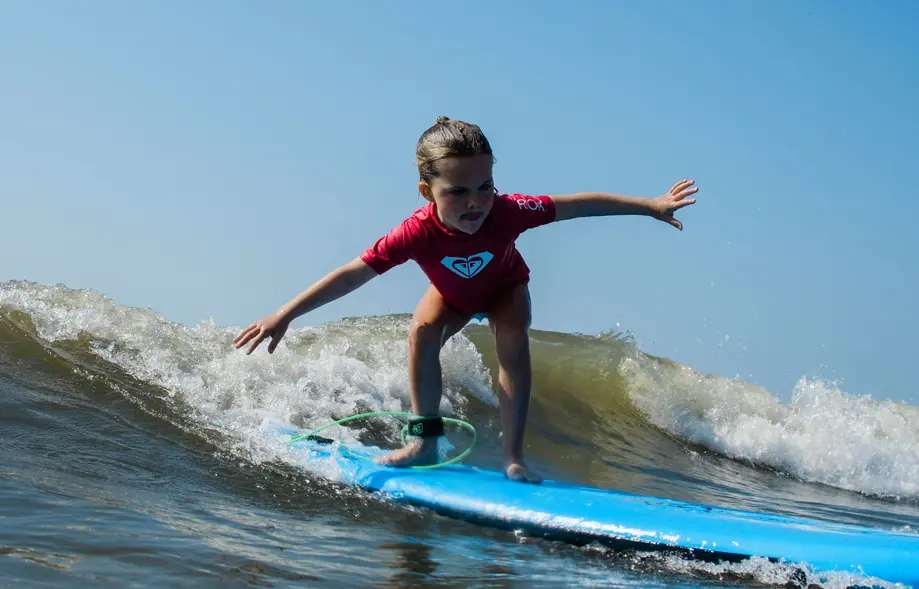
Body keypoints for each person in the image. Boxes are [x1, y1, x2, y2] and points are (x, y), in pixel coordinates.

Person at [233, 116, 698, 484]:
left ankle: (514, 458)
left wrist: (650, 206)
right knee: (421, 333)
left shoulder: (510, 211)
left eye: (484, 186)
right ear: (426, 192)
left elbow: (578, 204)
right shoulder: (415, 233)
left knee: (513, 343)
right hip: (452, 295)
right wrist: (285, 313)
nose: (475, 201)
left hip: (504, 289)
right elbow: (354, 273)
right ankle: (425, 442)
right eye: (457, 191)